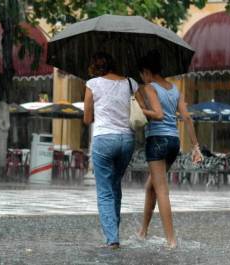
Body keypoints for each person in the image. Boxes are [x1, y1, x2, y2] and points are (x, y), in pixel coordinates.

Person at [136, 51, 203, 248]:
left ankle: (171, 240)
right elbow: (187, 118)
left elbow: (156, 114)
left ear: (147, 72)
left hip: (157, 140)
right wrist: (196, 147)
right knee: (152, 186)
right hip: (174, 141)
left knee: (162, 190)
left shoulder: (149, 88)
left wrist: (140, 109)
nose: (142, 79)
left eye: (142, 75)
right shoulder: (175, 89)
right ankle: (143, 231)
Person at [83, 52, 139, 249]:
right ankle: (113, 230)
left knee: (105, 190)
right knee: (115, 185)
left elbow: (87, 119)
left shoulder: (92, 84)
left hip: (104, 139)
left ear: (95, 67)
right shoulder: (131, 83)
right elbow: (138, 109)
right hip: (127, 140)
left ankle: (112, 238)